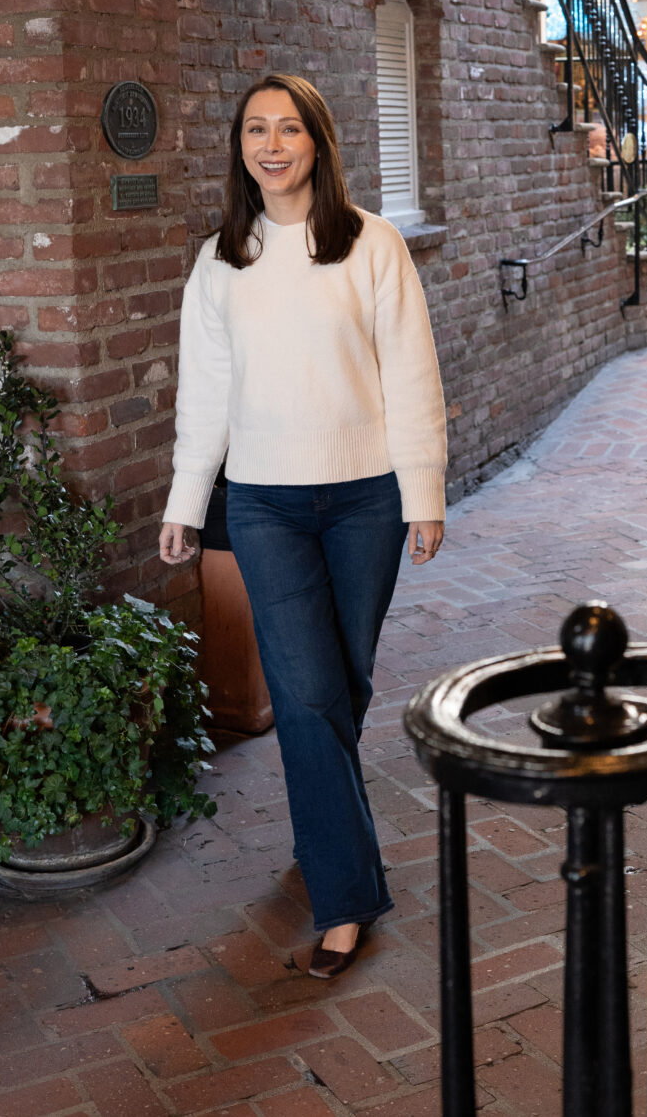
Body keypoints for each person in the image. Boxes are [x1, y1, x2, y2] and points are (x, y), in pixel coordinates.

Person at [159, 73, 447, 979]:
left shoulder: (372, 244)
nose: (272, 144)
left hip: (367, 499)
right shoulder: (220, 260)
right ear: (240, 147)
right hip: (263, 505)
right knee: (309, 691)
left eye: (289, 128)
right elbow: (205, 392)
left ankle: (321, 826)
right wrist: (185, 500)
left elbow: (412, 371)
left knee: (344, 681)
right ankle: (346, 897)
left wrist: (424, 491)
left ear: (318, 141)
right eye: (256, 129)